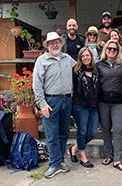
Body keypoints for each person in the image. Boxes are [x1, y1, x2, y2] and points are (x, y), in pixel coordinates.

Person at [33, 32, 76, 178]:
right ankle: (54, 164)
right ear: (47, 45)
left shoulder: (68, 59)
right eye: (51, 43)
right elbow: (37, 85)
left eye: (57, 42)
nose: (55, 45)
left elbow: (80, 70)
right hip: (50, 102)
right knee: (52, 135)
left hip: (67, 100)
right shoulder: (41, 60)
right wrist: (42, 104)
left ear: (61, 44)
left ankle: (61, 161)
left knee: (63, 133)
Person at [96, 39, 122, 172]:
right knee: (105, 129)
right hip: (103, 101)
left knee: (118, 129)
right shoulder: (99, 65)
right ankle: (108, 154)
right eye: (109, 48)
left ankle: (118, 159)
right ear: (105, 50)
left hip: (118, 102)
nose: (111, 51)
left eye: (114, 49)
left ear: (118, 51)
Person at [69, 47, 100, 168]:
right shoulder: (75, 72)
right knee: (82, 132)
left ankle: (75, 148)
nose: (85, 58)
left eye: (87, 55)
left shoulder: (96, 71)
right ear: (80, 58)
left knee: (92, 132)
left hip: (94, 106)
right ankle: (83, 157)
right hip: (80, 106)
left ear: (91, 57)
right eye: (83, 56)